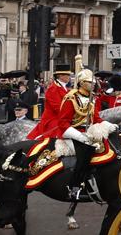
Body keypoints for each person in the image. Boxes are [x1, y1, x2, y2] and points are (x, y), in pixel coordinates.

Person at [25, 68, 105, 203]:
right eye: (66, 75)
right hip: (56, 121)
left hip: (77, 124)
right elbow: (58, 109)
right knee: (84, 150)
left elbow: (93, 115)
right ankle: (74, 185)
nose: (68, 77)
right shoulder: (56, 90)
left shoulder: (82, 95)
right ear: (60, 76)